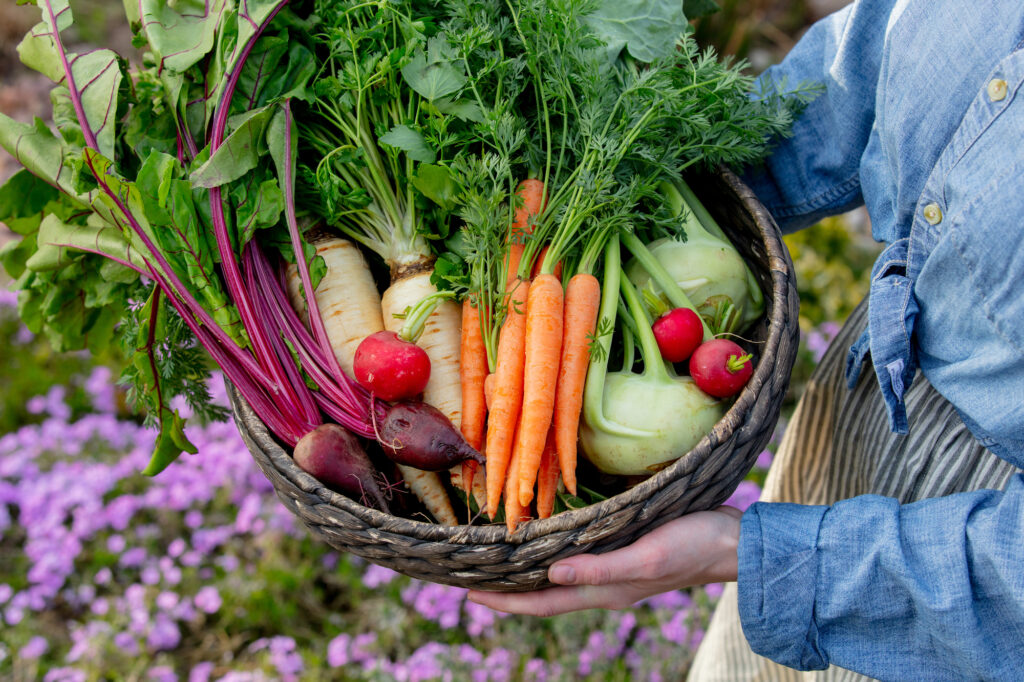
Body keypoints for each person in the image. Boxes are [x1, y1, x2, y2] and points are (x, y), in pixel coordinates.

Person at [467, 1, 1024, 679]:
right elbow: (876, 53)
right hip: (871, 409)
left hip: (947, 573)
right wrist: (638, 165)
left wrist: (754, 557)